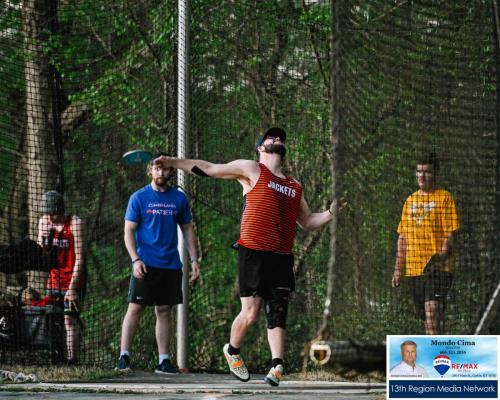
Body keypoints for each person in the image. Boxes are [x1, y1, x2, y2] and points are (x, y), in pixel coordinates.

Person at [155, 127, 344, 386]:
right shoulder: (252, 169)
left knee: (277, 312)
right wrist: (173, 162)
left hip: (281, 255)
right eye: (271, 137)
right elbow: (208, 167)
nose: (277, 139)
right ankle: (232, 351)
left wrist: (331, 212)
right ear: (260, 147)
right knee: (251, 313)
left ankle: (277, 365)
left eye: (281, 138)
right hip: (253, 251)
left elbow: (308, 221)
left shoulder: (294, 185)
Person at [116, 154, 200, 374]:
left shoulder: (179, 199)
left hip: (171, 264)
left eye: (164, 169)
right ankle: (124, 357)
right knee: (135, 308)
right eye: (156, 168)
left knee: (164, 311)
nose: (161, 172)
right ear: (150, 171)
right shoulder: (139, 198)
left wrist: (194, 259)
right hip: (145, 264)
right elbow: (128, 231)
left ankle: (164, 361)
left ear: (170, 171)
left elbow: (188, 229)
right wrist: (135, 259)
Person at [392, 154, 459, 334]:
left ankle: (435, 358)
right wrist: (398, 269)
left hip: (437, 268)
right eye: (419, 171)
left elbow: (450, 233)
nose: (422, 176)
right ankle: (439, 348)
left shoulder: (444, 198)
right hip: (413, 269)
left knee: (432, 310)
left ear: (435, 174)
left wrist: (441, 257)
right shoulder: (409, 201)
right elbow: (402, 238)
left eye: (427, 172)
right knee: (426, 317)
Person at [37, 190, 85, 364]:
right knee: (52, 318)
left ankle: (73, 360)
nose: (51, 217)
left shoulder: (75, 223)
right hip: (54, 280)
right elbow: (42, 256)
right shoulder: (44, 221)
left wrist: (72, 288)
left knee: (69, 319)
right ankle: (56, 356)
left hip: (73, 279)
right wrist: (44, 239)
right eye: (48, 213)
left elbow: (80, 258)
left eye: (54, 213)